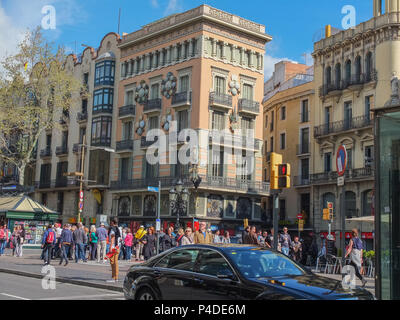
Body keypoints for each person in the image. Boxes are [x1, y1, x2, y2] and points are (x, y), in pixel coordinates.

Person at [107, 219, 120, 283]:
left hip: (113, 247)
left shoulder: (112, 229)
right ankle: (116, 277)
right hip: (117, 247)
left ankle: (113, 277)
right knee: (115, 262)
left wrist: (110, 247)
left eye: (110, 222)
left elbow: (112, 238)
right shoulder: (118, 229)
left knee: (112, 262)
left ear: (112, 222)